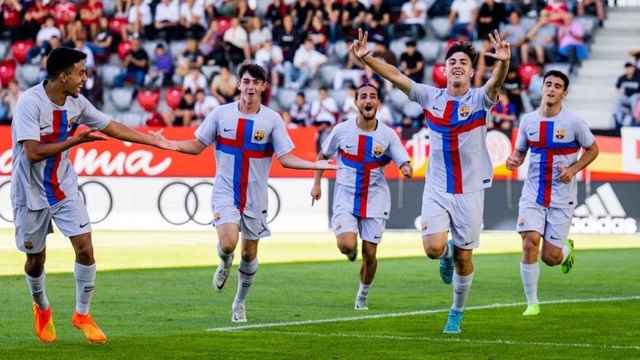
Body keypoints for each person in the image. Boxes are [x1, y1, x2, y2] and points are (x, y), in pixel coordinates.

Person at [350, 29, 510, 333]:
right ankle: (445, 252)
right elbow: (396, 76)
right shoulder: (430, 96)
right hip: (437, 187)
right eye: (453, 61)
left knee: (466, 259)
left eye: (464, 61)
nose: (458, 65)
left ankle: (456, 313)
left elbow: (496, 83)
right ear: (444, 68)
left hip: (470, 190)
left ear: (472, 70)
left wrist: (503, 62)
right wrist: (367, 57)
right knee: (433, 249)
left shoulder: (479, 99)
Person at [11, 47, 174, 344]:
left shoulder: (78, 103)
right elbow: (32, 152)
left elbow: (112, 126)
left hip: (63, 187)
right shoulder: (29, 103)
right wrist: (74, 141)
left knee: (85, 247)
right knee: (35, 260)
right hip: (29, 192)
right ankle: (42, 306)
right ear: (63, 76)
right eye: (80, 72)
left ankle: (82, 314)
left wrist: (152, 141)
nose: (85, 78)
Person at [168, 64, 337, 322]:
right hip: (225, 190)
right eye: (246, 81)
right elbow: (196, 145)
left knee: (249, 255)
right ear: (238, 84)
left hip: (255, 196)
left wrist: (315, 165)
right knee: (228, 242)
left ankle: (239, 302)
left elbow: (286, 158)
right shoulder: (220, 114)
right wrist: (167, 144)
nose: (250, 86)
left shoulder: (271, 120)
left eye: (255, 82)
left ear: (263, 87)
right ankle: (224, 263)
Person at [506, 70, 599, 316]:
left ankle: (565, 250)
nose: (551, 89)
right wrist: (514, 160)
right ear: (542, 87)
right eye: (548, 84)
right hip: (533, 194)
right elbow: (520, 152)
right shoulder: (527, 121)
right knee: (529, 243)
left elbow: (593, 150)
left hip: (561, 196)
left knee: (550, 257)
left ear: (564, 93)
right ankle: (532, 303)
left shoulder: (574, 122)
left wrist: (573, 168)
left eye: (557, 86)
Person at [310, 83, 411, 310]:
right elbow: (322, 155)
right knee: (346, 245)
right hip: (345, 194)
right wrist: (316, 183)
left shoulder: (387, 134)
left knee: (370, 254)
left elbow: (402, 158)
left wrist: (405, 167)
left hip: (375, 197)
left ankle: (362, 296)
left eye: (372, 97)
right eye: (363, 96)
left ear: (378, 103)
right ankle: (350, 249)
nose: (368, 100)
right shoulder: (341, 130)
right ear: (356, 103)